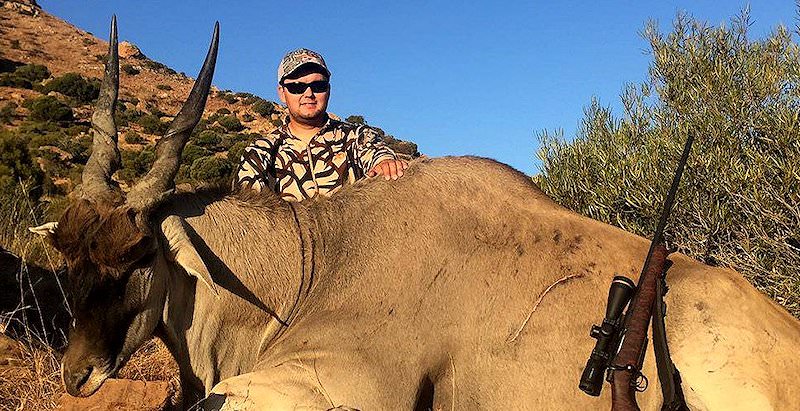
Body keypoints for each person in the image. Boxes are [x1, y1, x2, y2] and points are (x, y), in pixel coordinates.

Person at [236, 48, 408, 202]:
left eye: (318, 85)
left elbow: (377, 154)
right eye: (297, 87)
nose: (309, 93)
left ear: (329, 89)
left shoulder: (357, 136)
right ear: (282, 93)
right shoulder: (259, 152)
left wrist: (386, 163)